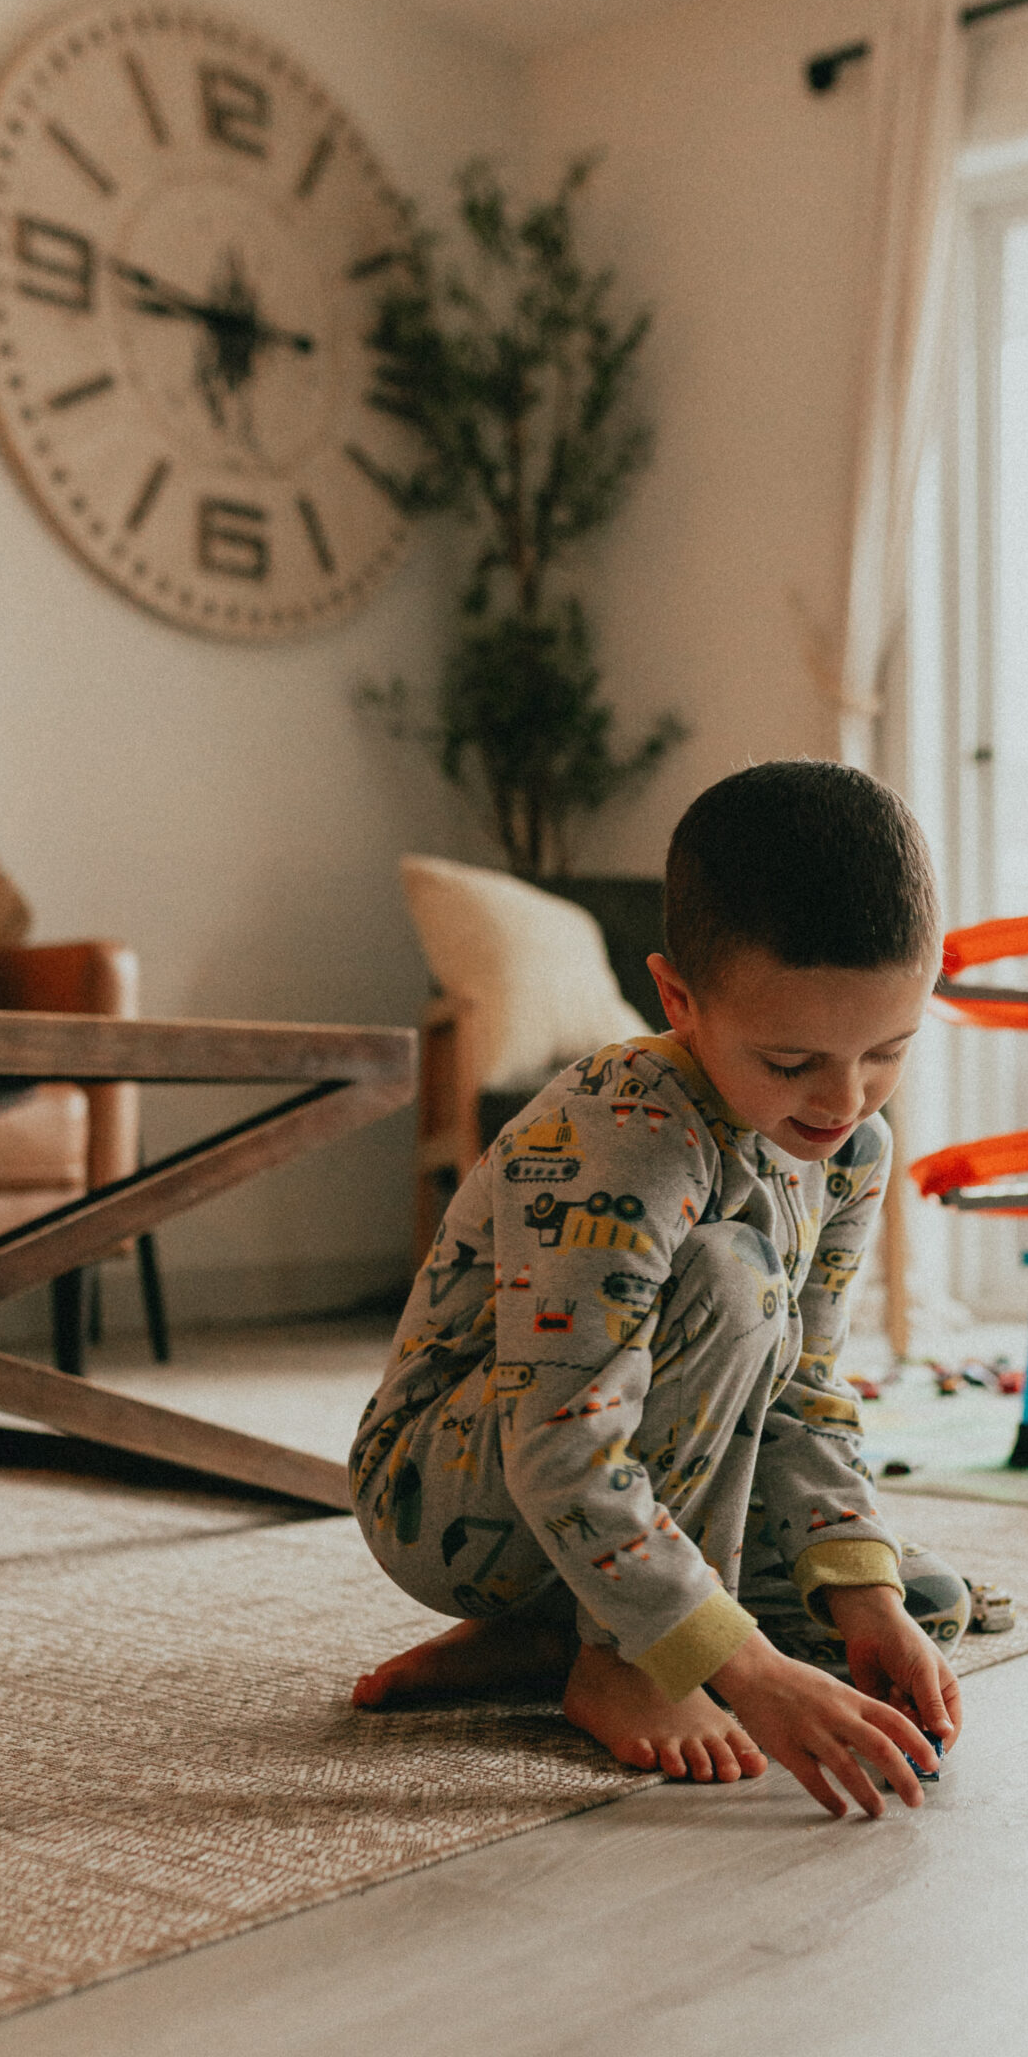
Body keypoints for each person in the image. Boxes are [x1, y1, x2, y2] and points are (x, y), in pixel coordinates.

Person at [349, 761, 967, 1821]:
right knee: (738, 1278)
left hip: (607, 1481)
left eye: (887, 1051)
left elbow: (801, 1388)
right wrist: (744, 1674)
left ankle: (548, 1637)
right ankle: (624, 1660)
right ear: (678, 998)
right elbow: (560, 1441)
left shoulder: (851, 1143)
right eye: (791, 1058)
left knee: (916, 1600)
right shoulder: (625, 1137)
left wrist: (862, 1595)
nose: (842, 1097)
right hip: (457, 1481)